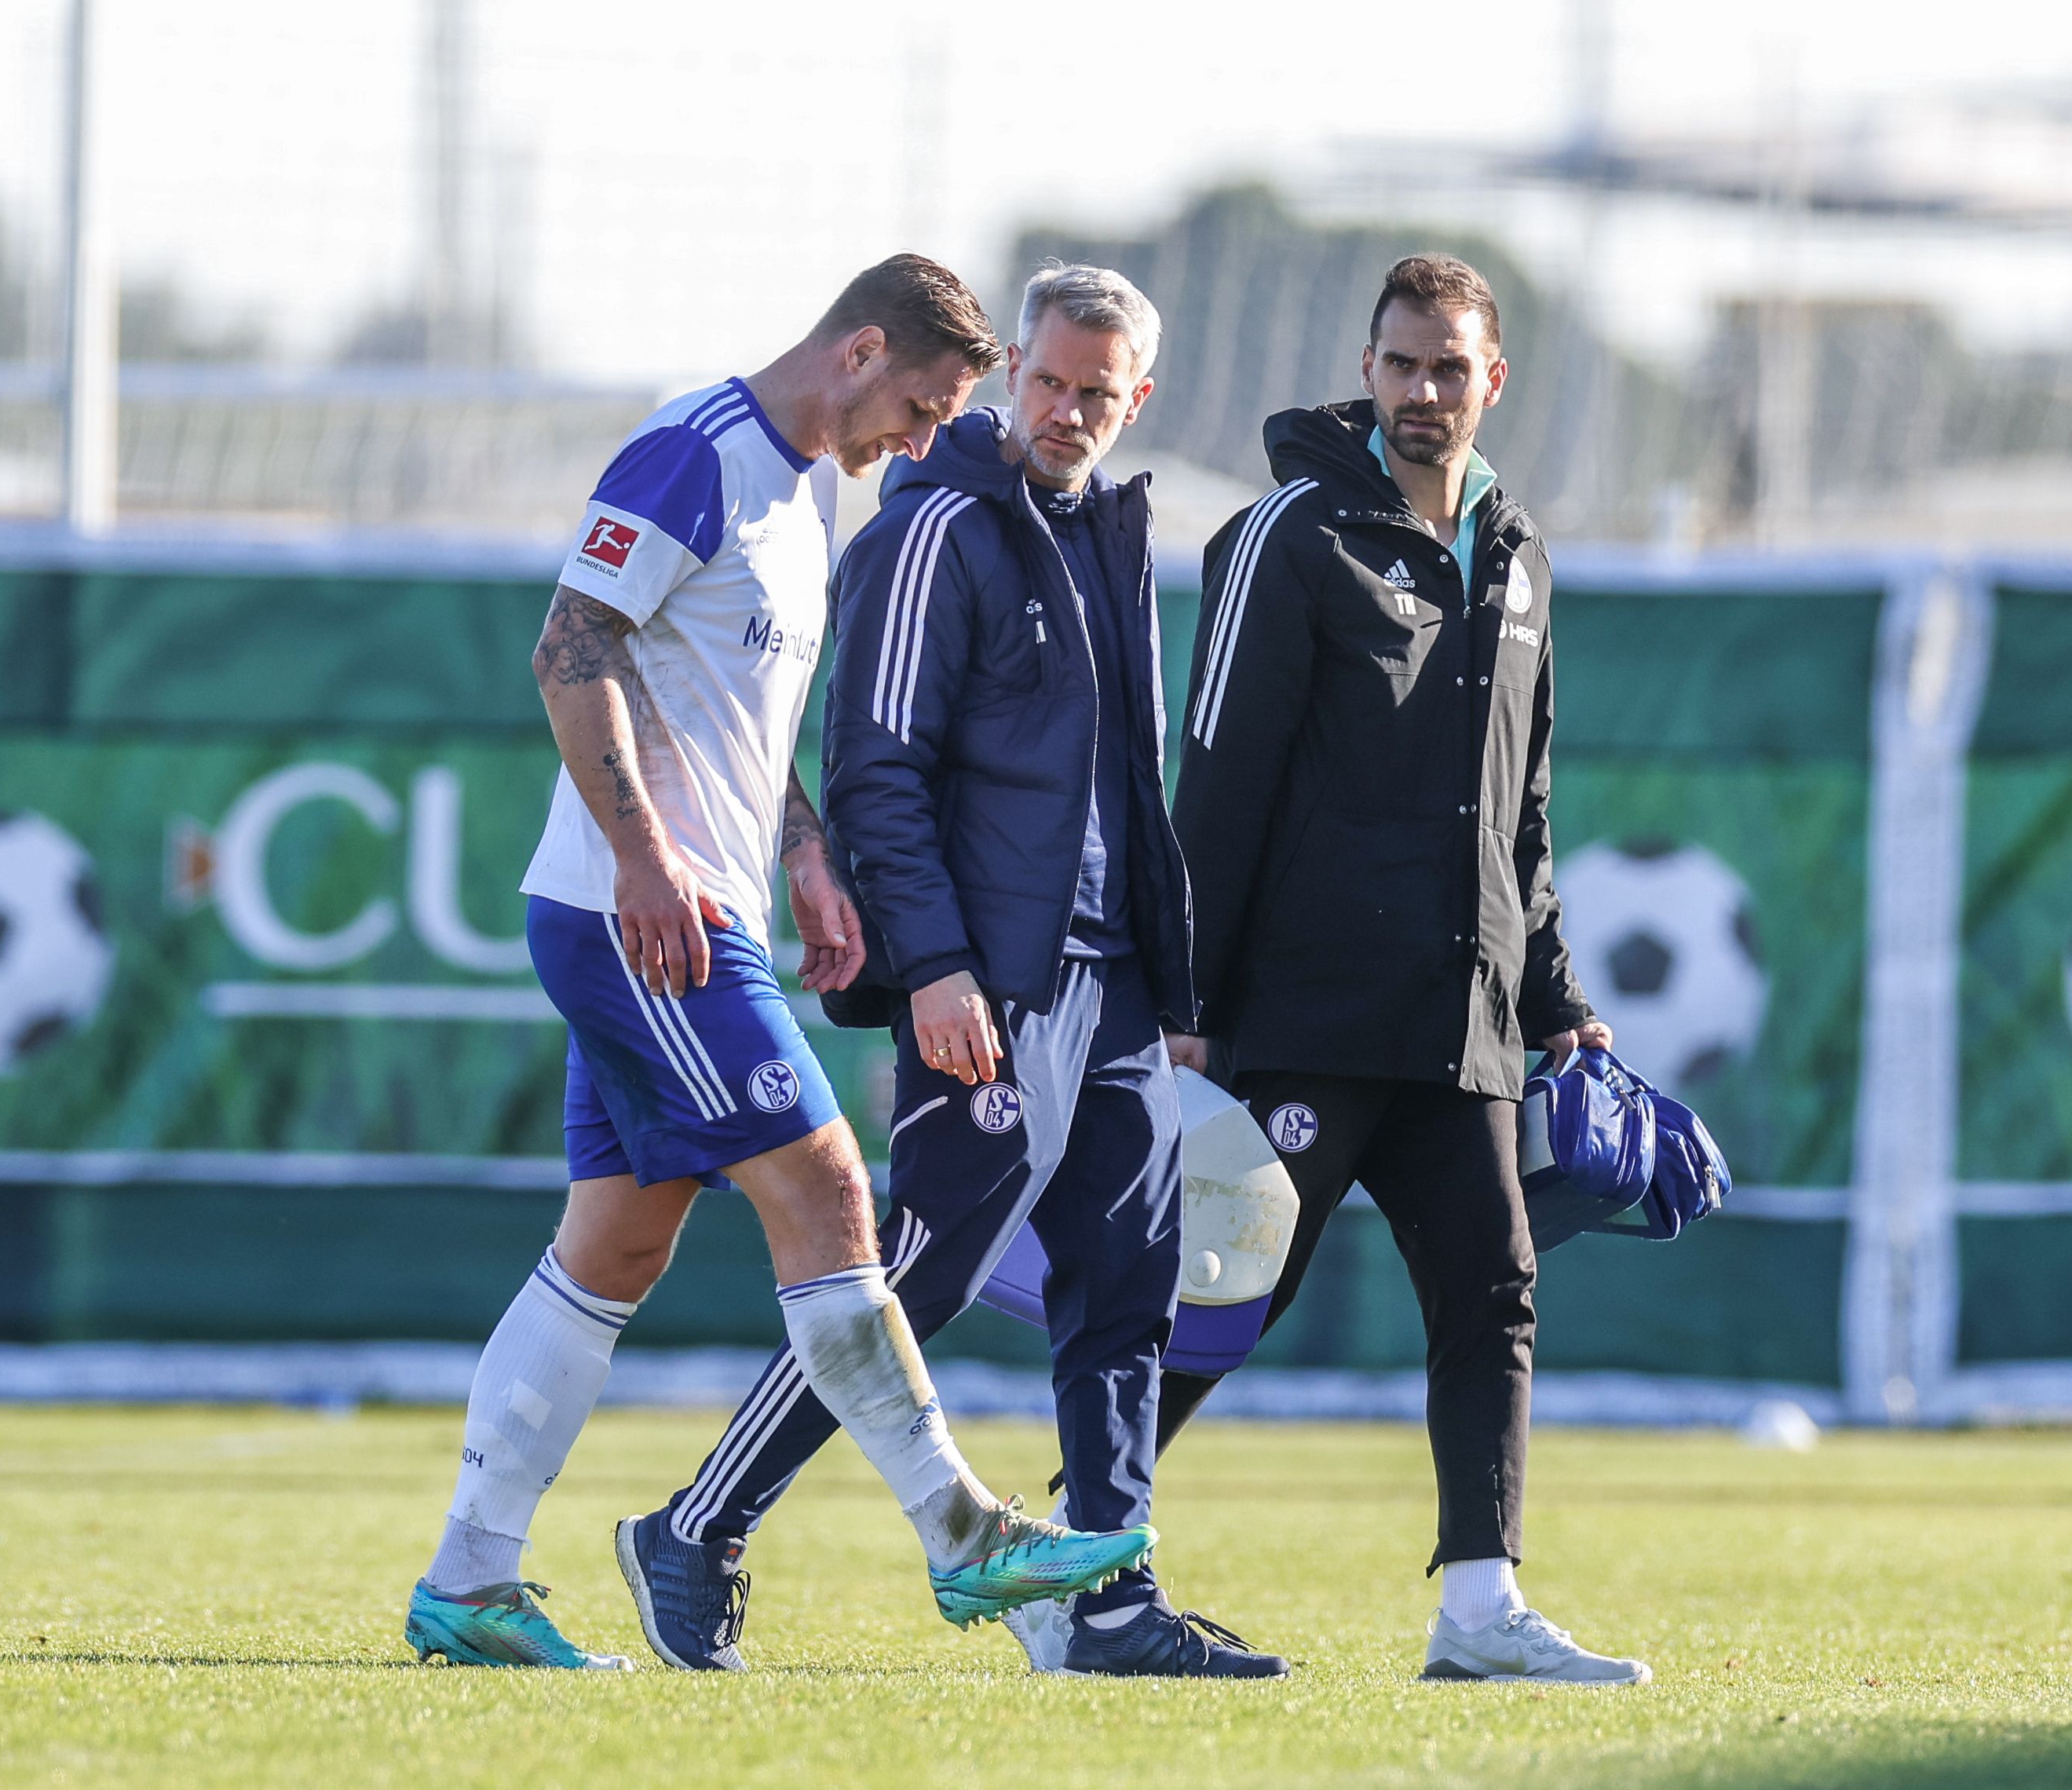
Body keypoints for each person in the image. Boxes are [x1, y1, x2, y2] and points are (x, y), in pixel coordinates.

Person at [403, 255, 1156, 1671]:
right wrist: (639, 860)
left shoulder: (808, 487)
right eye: (925, 406)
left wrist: (802, 850)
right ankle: (963, 1533)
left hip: (702, 907)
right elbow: (574, 649)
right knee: (826, 1184)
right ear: (862, 349)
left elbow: (727, 716)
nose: (928, 443)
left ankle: (468, 1578)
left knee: (617, 1242)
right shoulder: (693, 453)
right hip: (642, 918)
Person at [612, 265, 1287, 1679]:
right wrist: (935, 967)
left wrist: (1171, 996)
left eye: (1098, 392)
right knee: (920, 1269)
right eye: (1046, 381)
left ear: (1135, 398)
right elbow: (876, 772)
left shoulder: (1111, 529)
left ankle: (1107, 1603)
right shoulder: (935, 529)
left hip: (1113, 989)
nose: (1067, 411)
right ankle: (699, 1525)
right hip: (991, 981)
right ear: (1011, 374)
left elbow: (1120, 787)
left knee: (1130, 1291)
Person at [1162, 254, 1648, 1685]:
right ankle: (1082, 1564)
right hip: (1305, 1014)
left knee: (1493, 1290)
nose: (1424, 392)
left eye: (1450, 367)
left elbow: (1525, 806)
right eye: (1400, 364)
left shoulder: (1521, 550)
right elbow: (1219, 783)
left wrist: (1553, 997)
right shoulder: (1289, 533)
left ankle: (1481, 1609)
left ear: (1495, 378)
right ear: (1366, 371)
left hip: (1466, 1020)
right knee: (1220, 1299)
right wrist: (1186, 1007)